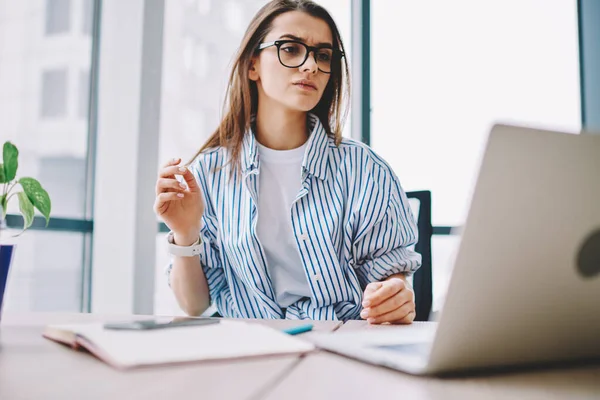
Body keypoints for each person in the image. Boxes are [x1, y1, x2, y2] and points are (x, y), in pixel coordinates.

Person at [154, 0, 421, 324]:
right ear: (253, 65)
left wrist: (397, 293)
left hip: (342, 348)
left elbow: (393, 280)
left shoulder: (366, 172)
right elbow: (194, 306)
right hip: (248, 351)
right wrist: (185, 233)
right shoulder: (210, 174)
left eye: (323, 55)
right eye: (291, 49)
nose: (310, 66)